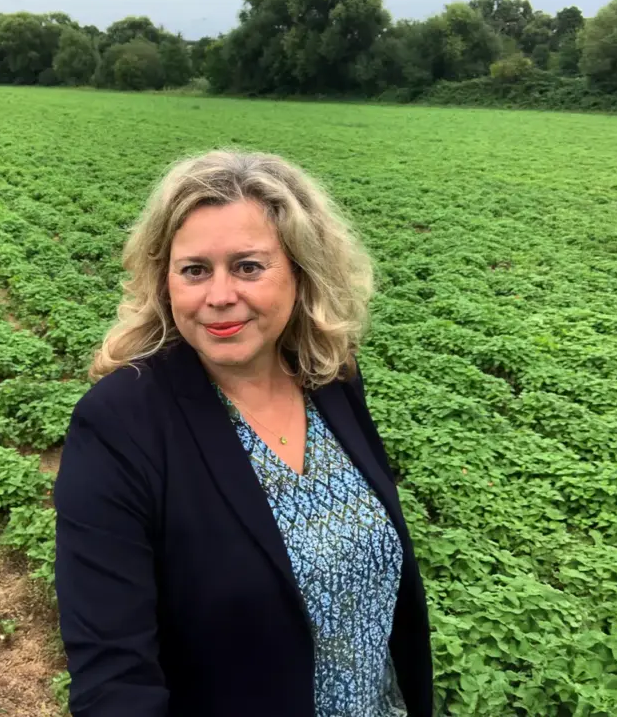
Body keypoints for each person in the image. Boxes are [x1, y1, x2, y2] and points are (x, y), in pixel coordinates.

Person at [54, 150, 433, 717]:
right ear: (165, 281)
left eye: (249, 267)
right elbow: (113, 677)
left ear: (302, 272)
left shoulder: (330, 378)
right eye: (194, 270)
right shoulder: (119, 424)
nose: (219, 296)